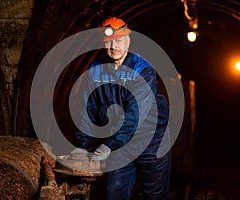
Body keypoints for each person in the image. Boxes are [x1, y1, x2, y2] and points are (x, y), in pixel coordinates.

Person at [71, 17, 171, 200]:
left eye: (119, 40)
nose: (114, 47)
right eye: (109, 42)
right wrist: (81, 146)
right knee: (114, 192)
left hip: (151, 139)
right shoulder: (96, 69)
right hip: (120, 142)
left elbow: (136, 113)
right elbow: (88, 108)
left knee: (154, 195)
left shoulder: (143, 68)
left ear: (128, 40)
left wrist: (109, 145)